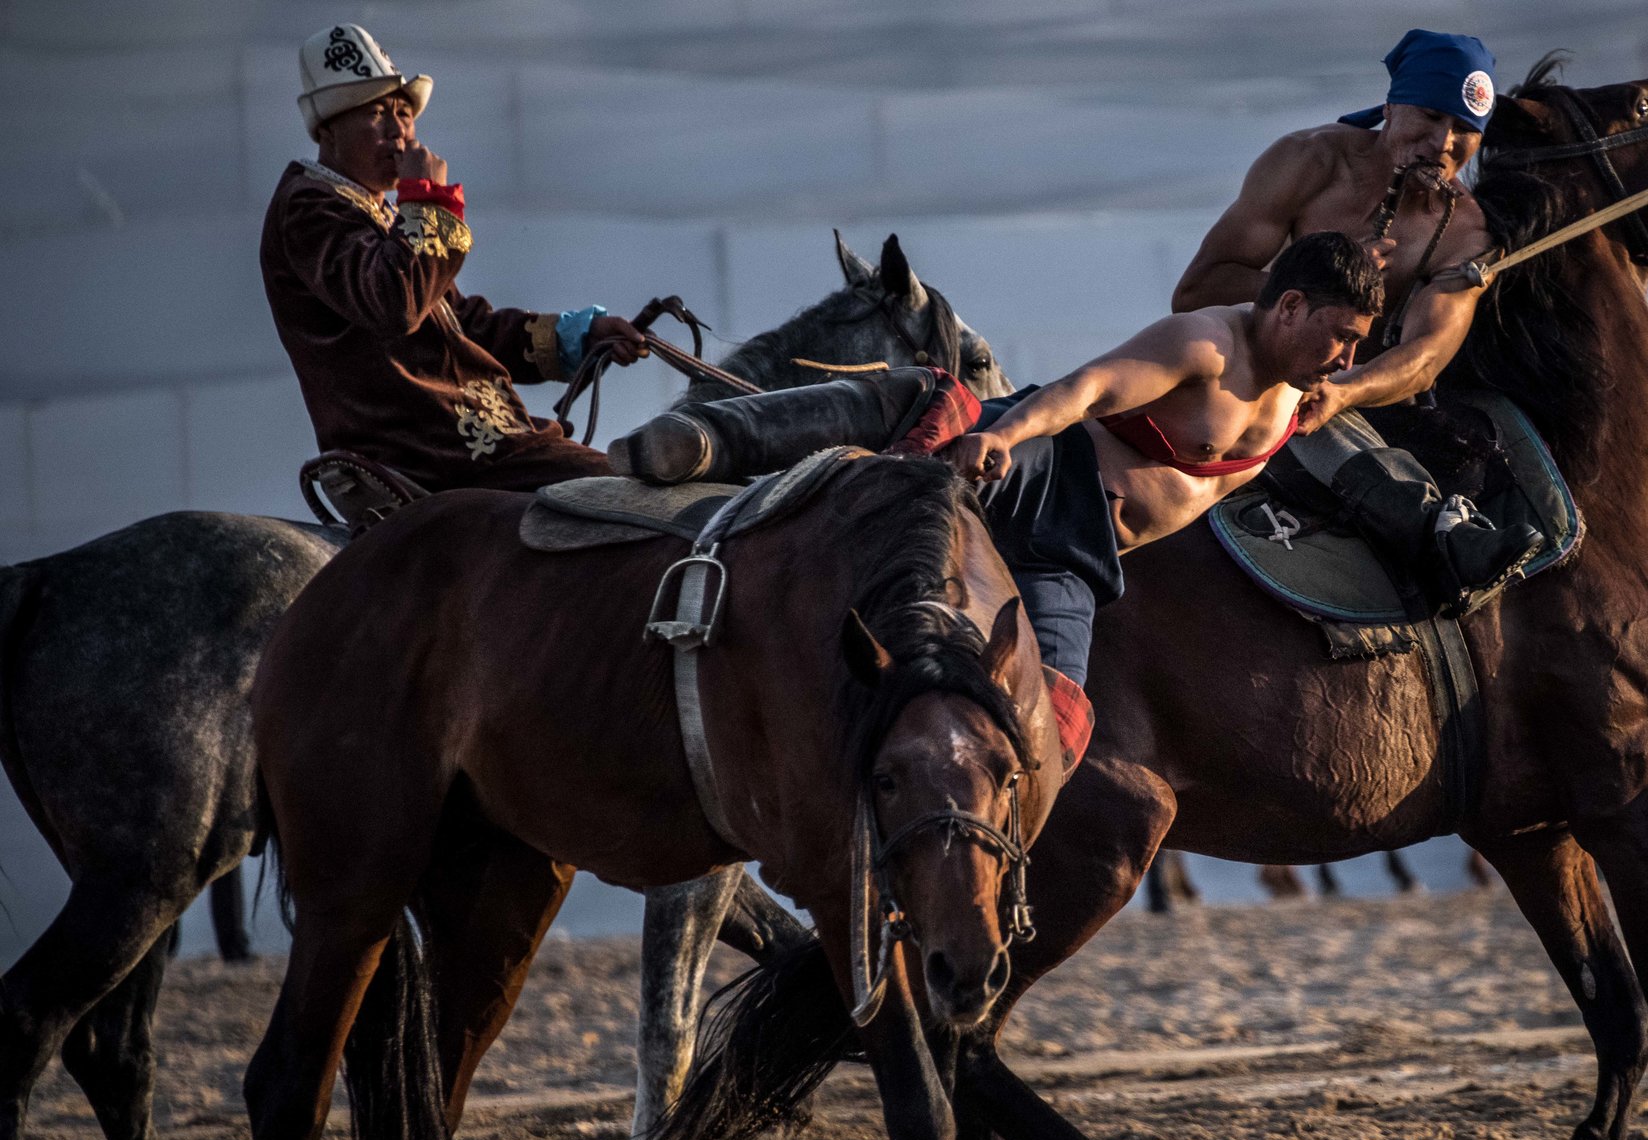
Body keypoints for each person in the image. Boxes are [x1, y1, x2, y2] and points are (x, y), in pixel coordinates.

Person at [612, 232, 1380, 711]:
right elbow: (1086, 388)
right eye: (1340, 338)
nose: (1345, 359)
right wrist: (1006, 434)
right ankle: (705, 440)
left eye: (1355, 345)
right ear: (1288, 306)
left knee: (1057, 715)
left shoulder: (1301, 400)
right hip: (1046, 470)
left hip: (1077, 557)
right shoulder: (1206, 344)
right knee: (932, 409)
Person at [1173, 29, 1541, 603]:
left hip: (1356, 402)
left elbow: (1424, 359)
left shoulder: (1467, 232)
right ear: (1393, 105)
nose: (1444, 142)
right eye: (1429, 115)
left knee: (1316, 390)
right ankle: (1432, 529)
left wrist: (1347, 391)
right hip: (1251, 362)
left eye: (1466, 129)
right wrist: (1316, 280)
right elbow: (1197, 289)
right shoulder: (1305, 161)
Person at [262, 24, 650, 502]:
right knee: (638, 495)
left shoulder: (374, 211)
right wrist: (427, 203)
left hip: (472, 442)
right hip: (427, 450)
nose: (398, 131)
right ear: (327, 129)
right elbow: (394, 303)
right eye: (376, 112)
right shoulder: (310, 207)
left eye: (404, 112)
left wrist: (580, 337)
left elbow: (463, 326)